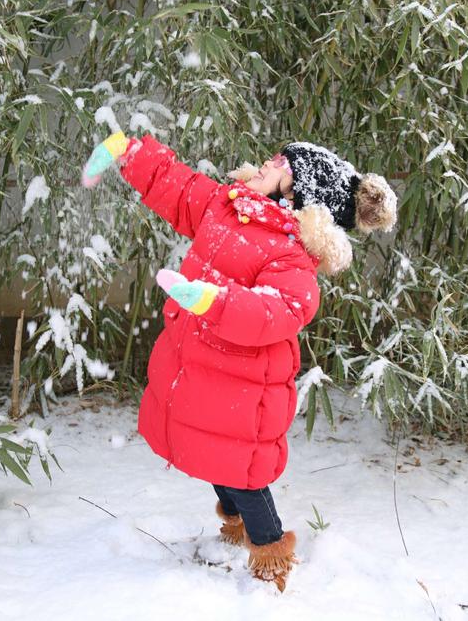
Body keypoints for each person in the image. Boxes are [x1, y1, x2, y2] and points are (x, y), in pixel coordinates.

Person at [82, 131, 397, 591]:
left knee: (244, 473)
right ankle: (232, 530)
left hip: (246, 381)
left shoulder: (291, 252)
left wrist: (213, 301)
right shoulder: (229, 206)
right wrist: (128, 151)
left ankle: (271, 561)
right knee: (214, 457)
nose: (268, 164)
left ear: (298, 192)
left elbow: (282, 308)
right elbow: (181, 187)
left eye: (281, 166)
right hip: (204, 365)